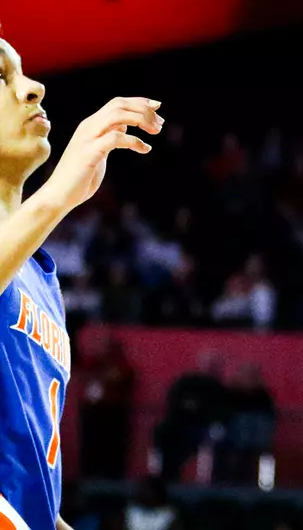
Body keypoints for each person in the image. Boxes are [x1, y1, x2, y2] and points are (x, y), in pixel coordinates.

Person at [0, 33, 161, 530]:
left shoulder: (41, 278)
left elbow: (33, 502)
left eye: (24, 72)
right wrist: (56, 198)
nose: (33, 89)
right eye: (0, 77)